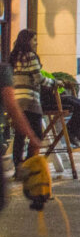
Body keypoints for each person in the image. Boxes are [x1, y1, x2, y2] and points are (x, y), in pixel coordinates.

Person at [1, 58, 44, 212]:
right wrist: (33, 137)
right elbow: (12, 107)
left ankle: (19, 164)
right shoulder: (2, 70)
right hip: (30, 101)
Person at [10, 30, 54, 174]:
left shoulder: (14, 57)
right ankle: (29, 165)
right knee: (36, 135)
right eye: (34, 40)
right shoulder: (30, 56)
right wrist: (54, 82)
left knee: (20, 134)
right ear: (28, 40)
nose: (36, 43)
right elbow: (38, 78)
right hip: (30, 100)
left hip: (17, 100)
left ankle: (18, 166)